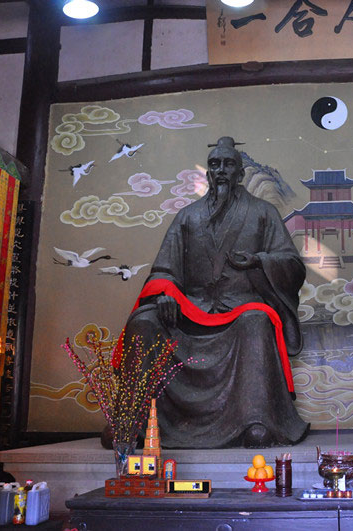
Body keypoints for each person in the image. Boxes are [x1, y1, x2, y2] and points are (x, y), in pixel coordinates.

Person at [121, 136, 309, 448]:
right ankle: (133, 419)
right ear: (208, 172)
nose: (221, 170)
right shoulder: (188, 216)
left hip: (241, 307)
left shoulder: (263, 213)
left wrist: (260, 261)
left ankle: (256, 420)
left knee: (256, 321)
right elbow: (164, 269)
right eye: (215, 165)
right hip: (190, 308)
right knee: (143, 322)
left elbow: (291, 263)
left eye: (228, 164)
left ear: (240, 173)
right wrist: (166, 295)